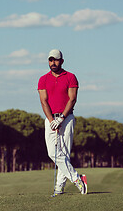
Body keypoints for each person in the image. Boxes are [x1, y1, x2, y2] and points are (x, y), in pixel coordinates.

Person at [37, 49, 87, 196]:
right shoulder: (43, 79)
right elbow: (43, 101)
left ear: (62, 61)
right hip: (51, 119)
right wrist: (53, 121)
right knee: (52, 152)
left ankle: (59, 187)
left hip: (67, 118)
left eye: (56, 60)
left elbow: (72, 99)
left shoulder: (70, 77)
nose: (53, 63)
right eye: (50, 60)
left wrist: (61, 118)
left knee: (64, 153)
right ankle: (77, 179)